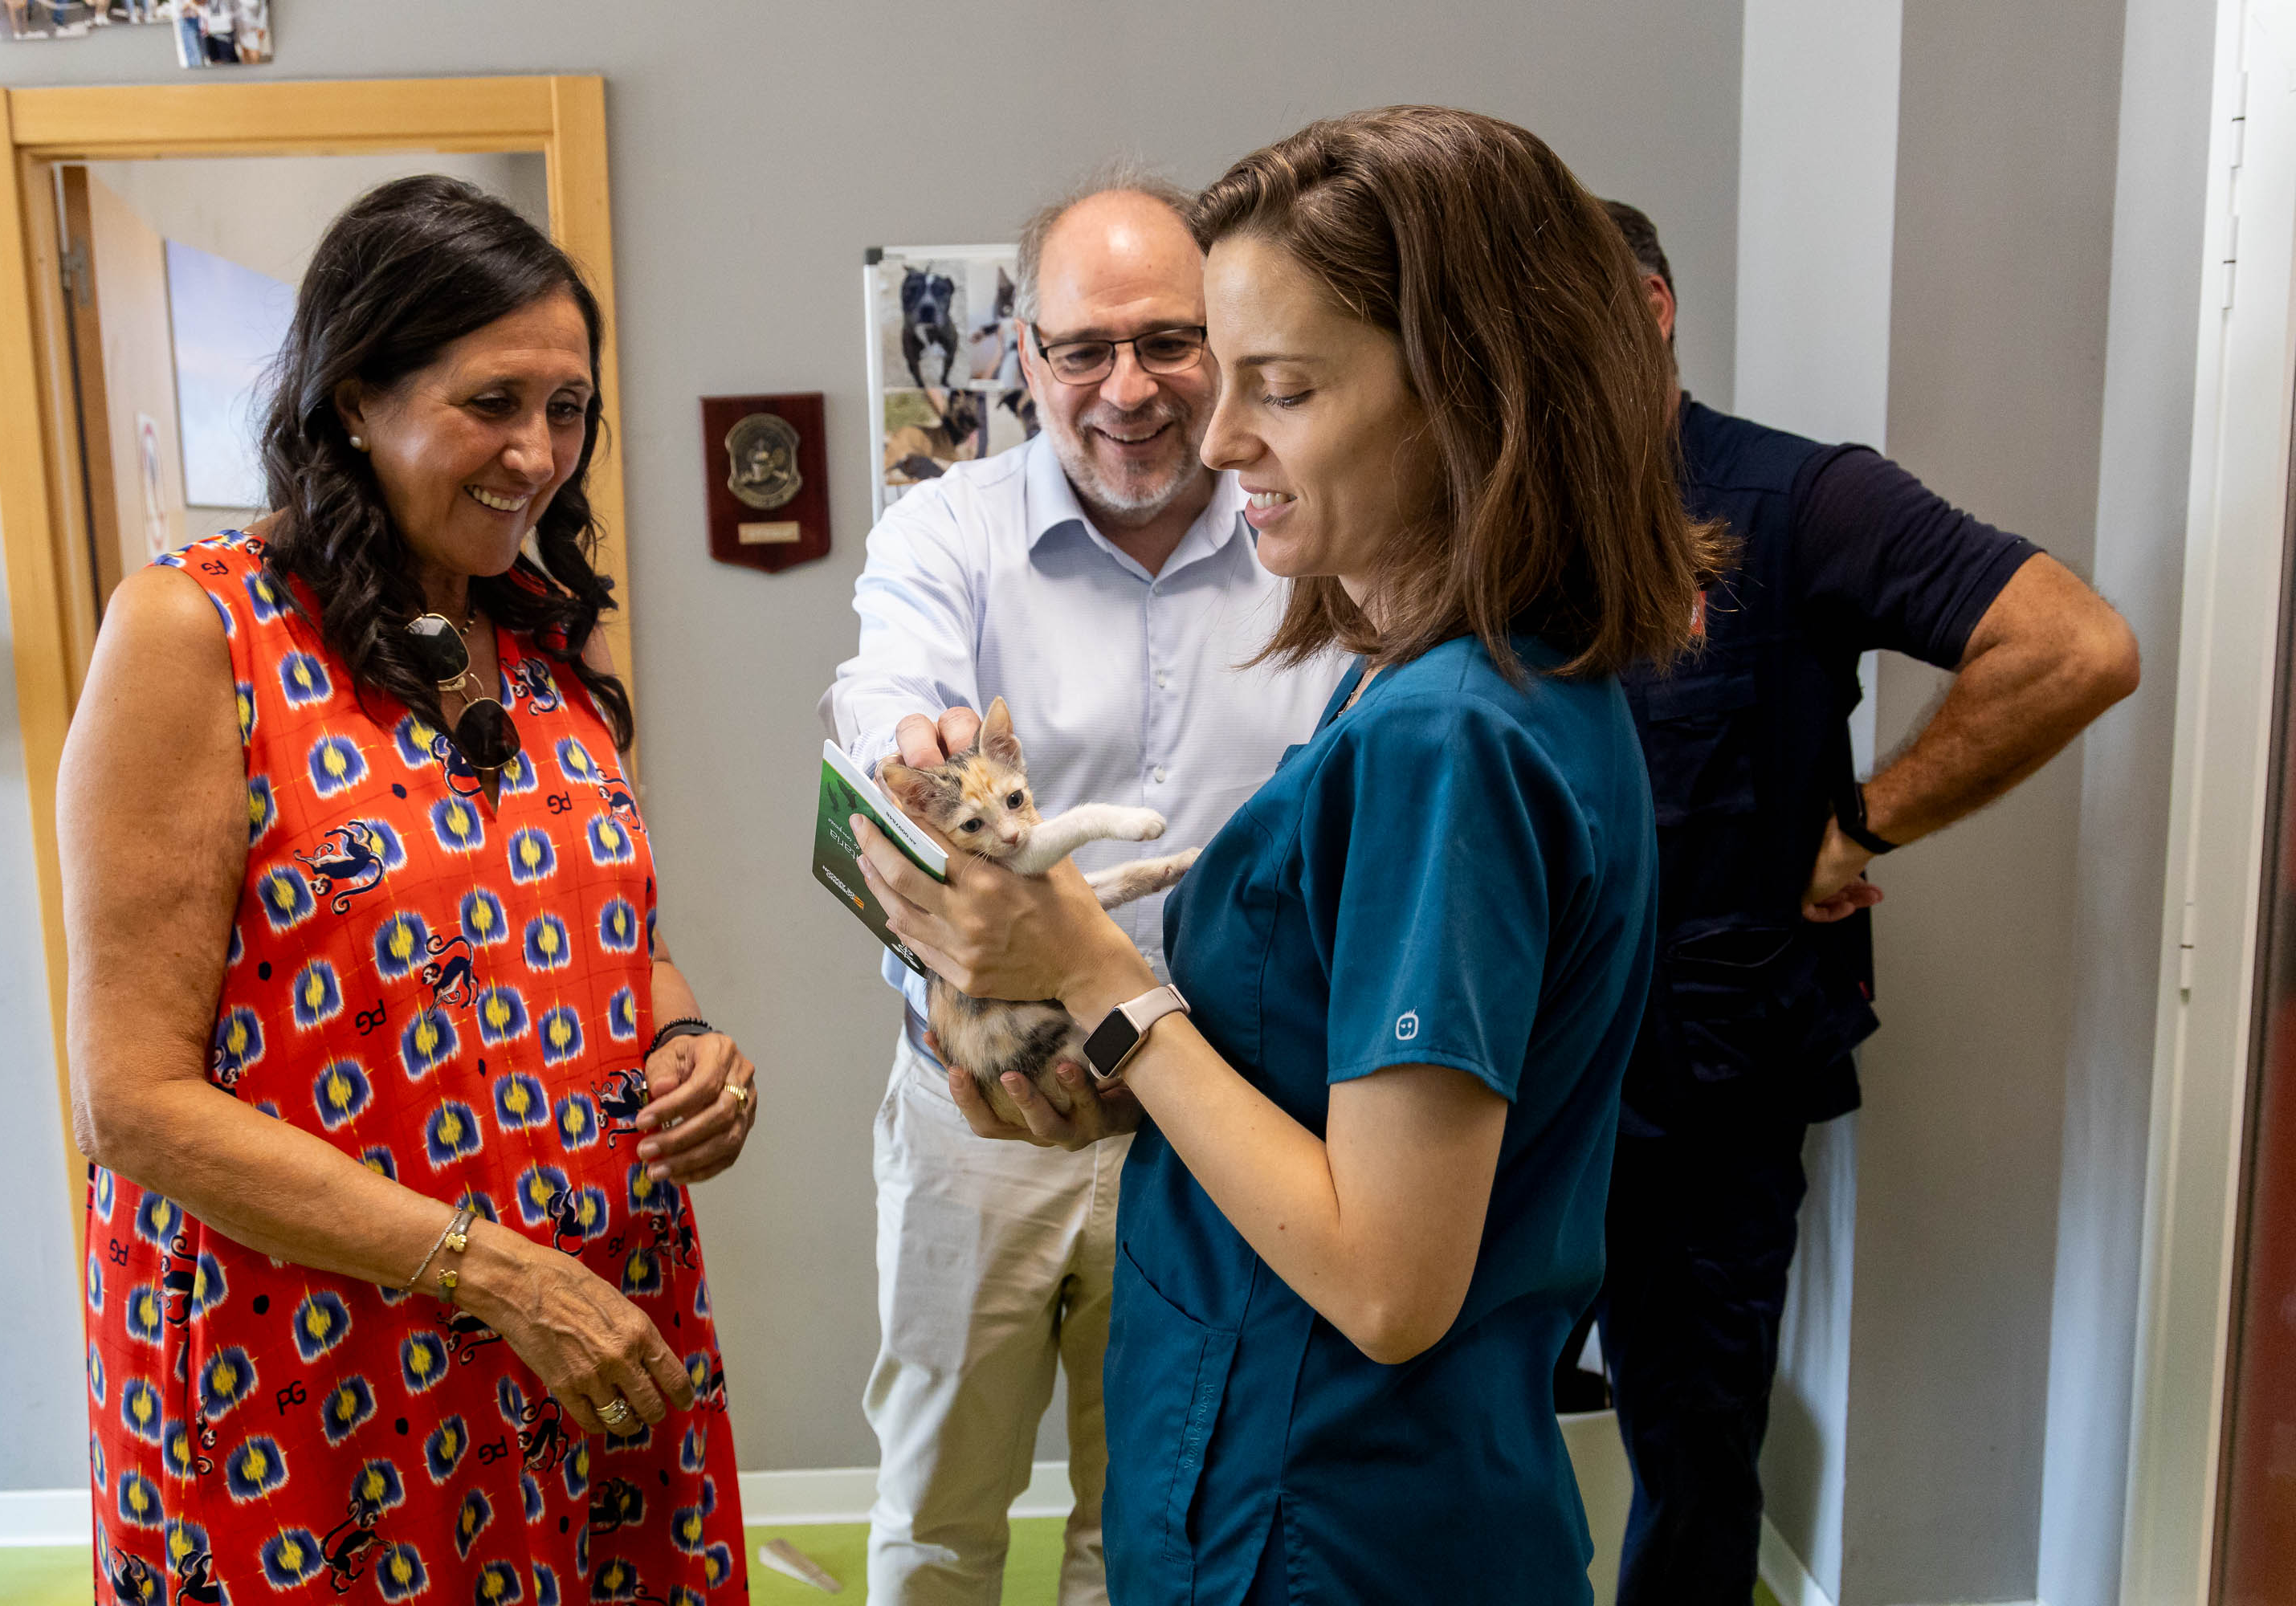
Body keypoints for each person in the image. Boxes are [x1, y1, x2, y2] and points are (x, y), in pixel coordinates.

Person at [853, 107, 1720, 1604]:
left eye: (1284, 386)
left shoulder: (1448, 738)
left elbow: (1388, 1281)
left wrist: (1095, 972)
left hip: (1333, 1508)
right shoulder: (1420, 680)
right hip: (1315, 1468)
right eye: (1090, 353)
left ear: (1470, 397)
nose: (1215, 436)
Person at [60, 176, 754, 1606]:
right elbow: (131, 1102)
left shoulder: (545, 643)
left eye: (567, 409)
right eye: (492, 403)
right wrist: (492, 1274)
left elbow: (608, 947)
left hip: (579, 1329)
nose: (537, 454)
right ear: (355, 400)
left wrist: (688, 1043)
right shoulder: (198, 632)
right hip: (320, 1362)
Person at [1587, 199, 2142, 1605]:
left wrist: (1866, 820)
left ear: (1649, 311)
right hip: (1513, 1071)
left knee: (1694, 1455)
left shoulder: (1798, 498)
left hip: (1710, 1092)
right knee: (1450, 1432)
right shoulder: (1492, 516)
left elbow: (2074, 647)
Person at [825, 169, 1348, 1603]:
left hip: (1217, 1114)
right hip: (980, 1105)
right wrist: (910, 748)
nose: (1129, 389)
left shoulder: (1311, 538)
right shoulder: (949, 530)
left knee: (1159, 1525)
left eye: (1169, 341)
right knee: (939, 1517)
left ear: (1225, 335)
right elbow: (880, 693)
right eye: (1084, 349)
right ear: (1026, 354)